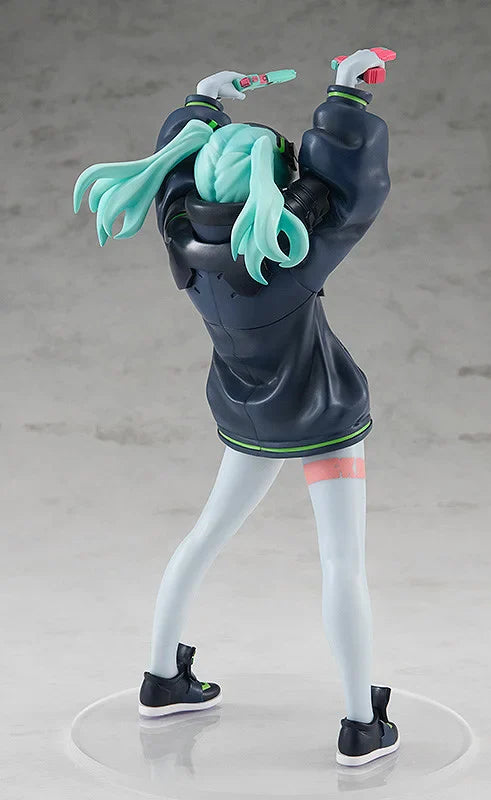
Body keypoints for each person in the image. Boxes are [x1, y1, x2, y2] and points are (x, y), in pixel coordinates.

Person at [73, 49, 399, 767]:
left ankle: (161, 678)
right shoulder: (288, 253)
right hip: (323, 420)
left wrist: (202, 102)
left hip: (245, 415)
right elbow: (346, 192)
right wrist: (347, 95)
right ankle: (360, 724)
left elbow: (175, 167)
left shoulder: (182, 236)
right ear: (275, 186)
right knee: (342, 564)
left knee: (203, 538)